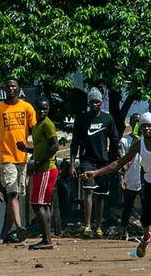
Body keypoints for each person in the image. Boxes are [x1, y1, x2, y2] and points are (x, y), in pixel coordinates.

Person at [82, 113, 151, 258]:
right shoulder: (138, 144)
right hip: (148, 182)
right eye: (144, 126)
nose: (147, 129)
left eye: (149, 126)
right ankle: (146, 238)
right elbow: (118, 163)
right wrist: (96, 173)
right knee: (145, 218)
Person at [0, 77, 35, 243]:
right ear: (4, 89)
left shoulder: (27, 107)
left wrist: (32, 150)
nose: (10, 88)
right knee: (12, 192)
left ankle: (6, 233)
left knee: (15, 195)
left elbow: (35, 132)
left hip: (22, 158)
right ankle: (20, 227)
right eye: (8, 86)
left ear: (18, 89)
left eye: (13, 86)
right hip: (5, 156)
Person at [71, 87, 118, 238]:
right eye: (92, 102)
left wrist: (113, 159)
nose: (95, 105)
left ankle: (98, 226)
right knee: (88, 190)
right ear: (89, 103)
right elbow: (74, 143)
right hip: (87, 160)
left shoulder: (107, 119)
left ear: (101, 102)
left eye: (97, 102)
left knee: (101, 194)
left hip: (103, 161)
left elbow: (115, 139)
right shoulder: (81, 119)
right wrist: (73, 163)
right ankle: (87, 226)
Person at [26, 96, 59, 250]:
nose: (42, 111)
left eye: (45, 109)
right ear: (35, 109)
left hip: (46, 168)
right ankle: (46, 238)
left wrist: (37, 162)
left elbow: (54, 146)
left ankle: (47, 239)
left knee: (37, 204)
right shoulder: (38, 125)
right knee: (42, 204)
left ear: (48, 109)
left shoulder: (47, 124)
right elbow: (42, 147)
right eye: (40, 109)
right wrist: (26, 150)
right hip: (41, 168)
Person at [121, 113, 144, 241]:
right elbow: (122, 160)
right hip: (130, 178)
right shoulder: (126, 141)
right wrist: (121, 178)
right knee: (127, 207)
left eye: (139, 121)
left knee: (146, 207)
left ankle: (146, 232)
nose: (137, 123)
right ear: (131, 123)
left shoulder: (146, 140)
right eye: (135, 121)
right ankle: (123, 230)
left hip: (143, 178)